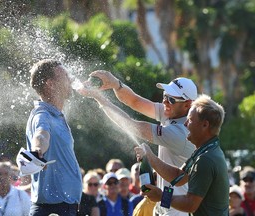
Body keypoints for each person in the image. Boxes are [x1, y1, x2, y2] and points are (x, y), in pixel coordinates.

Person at [78, 71, 197, 215]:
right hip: (167, 206)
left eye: (171, 99)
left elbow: (131, 125)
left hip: (177, 211)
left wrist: (99, 98)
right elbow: (135, 101)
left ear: (187, 104)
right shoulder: (173, 111)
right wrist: (116, 84)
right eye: (165, 96)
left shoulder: (180, 132)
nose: (165, 101)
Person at [134, 94, 229, 215]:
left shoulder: (205, 159)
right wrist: (151, 158)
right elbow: (178, 177)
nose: (184, 124)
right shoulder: (204, 151)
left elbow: (190, 204)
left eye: (190, 120)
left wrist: (161, 196)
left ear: (205, 125)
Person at [26, 59, 82, 216]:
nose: (70, 78)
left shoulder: (57, 116)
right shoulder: (42, 115)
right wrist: (37, 151)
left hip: (64, 208)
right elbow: (41, 136)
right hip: (52, 210)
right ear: (50, 84)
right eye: (64, 75)